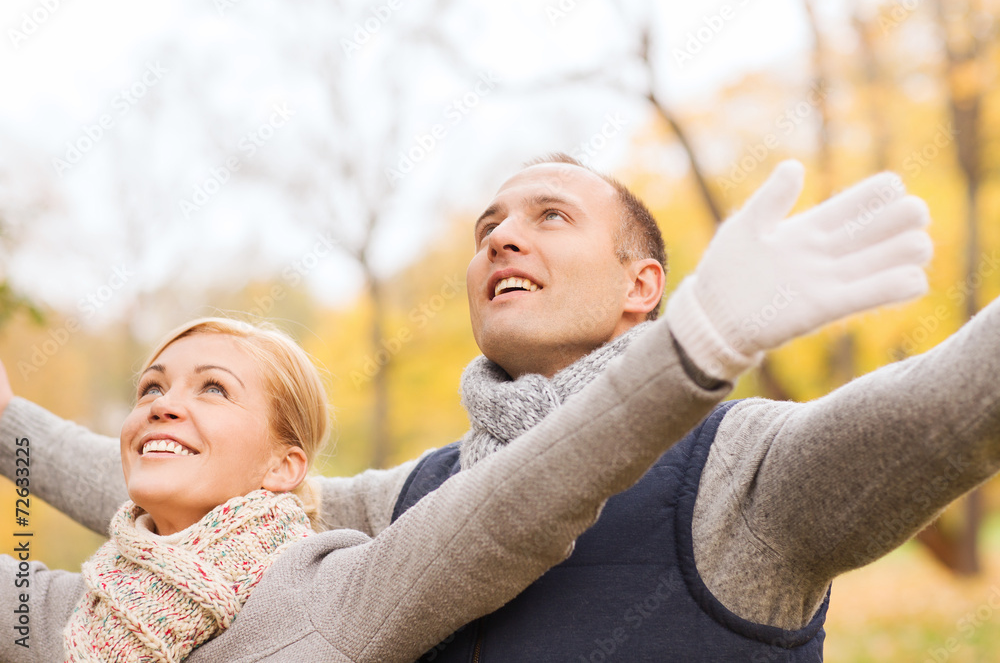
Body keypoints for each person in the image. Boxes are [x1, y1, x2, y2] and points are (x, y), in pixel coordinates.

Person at [3, 156, 992, 660]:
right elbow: (195, 477)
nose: (502, 238)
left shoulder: (749, 472)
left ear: (641, 284)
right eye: (488, 227)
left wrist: (712, 338)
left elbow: (954, 404)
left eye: (548, 217)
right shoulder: (410, 499)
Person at [2, 314, 732, 663]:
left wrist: (699, 352)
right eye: (151, 387)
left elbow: (510, 507)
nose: (161, 403)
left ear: (283, 466)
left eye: (213, 388)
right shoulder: (73, 611)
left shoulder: (331, 592)